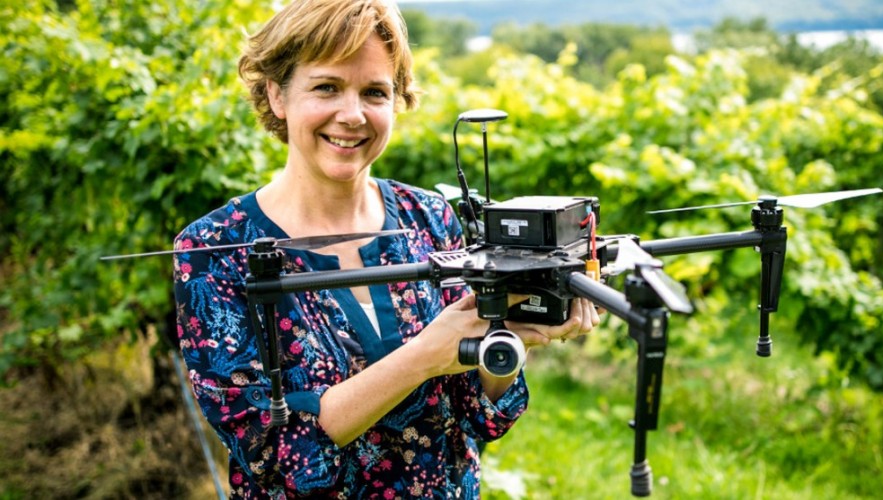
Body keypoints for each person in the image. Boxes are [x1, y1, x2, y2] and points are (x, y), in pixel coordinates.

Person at [172, 0, 600, 497]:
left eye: (375, 92)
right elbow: (276, 452)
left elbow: (476, 415)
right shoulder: (213, 250)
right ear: (277, 94)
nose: (352, 115)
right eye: (327, 87)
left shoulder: (430, 218)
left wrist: (511, 340)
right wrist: (424, 355)